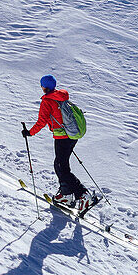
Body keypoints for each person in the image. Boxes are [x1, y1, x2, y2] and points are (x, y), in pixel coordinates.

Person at [22, 75, 93, 211]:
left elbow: (41, 121)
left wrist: (29, 133)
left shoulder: (47, 101)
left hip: (62, 137)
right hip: (72, 135)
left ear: (44, 87)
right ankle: (66, 195)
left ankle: (83, 195)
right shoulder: (61, 97)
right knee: (60, 164)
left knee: (61, 167)